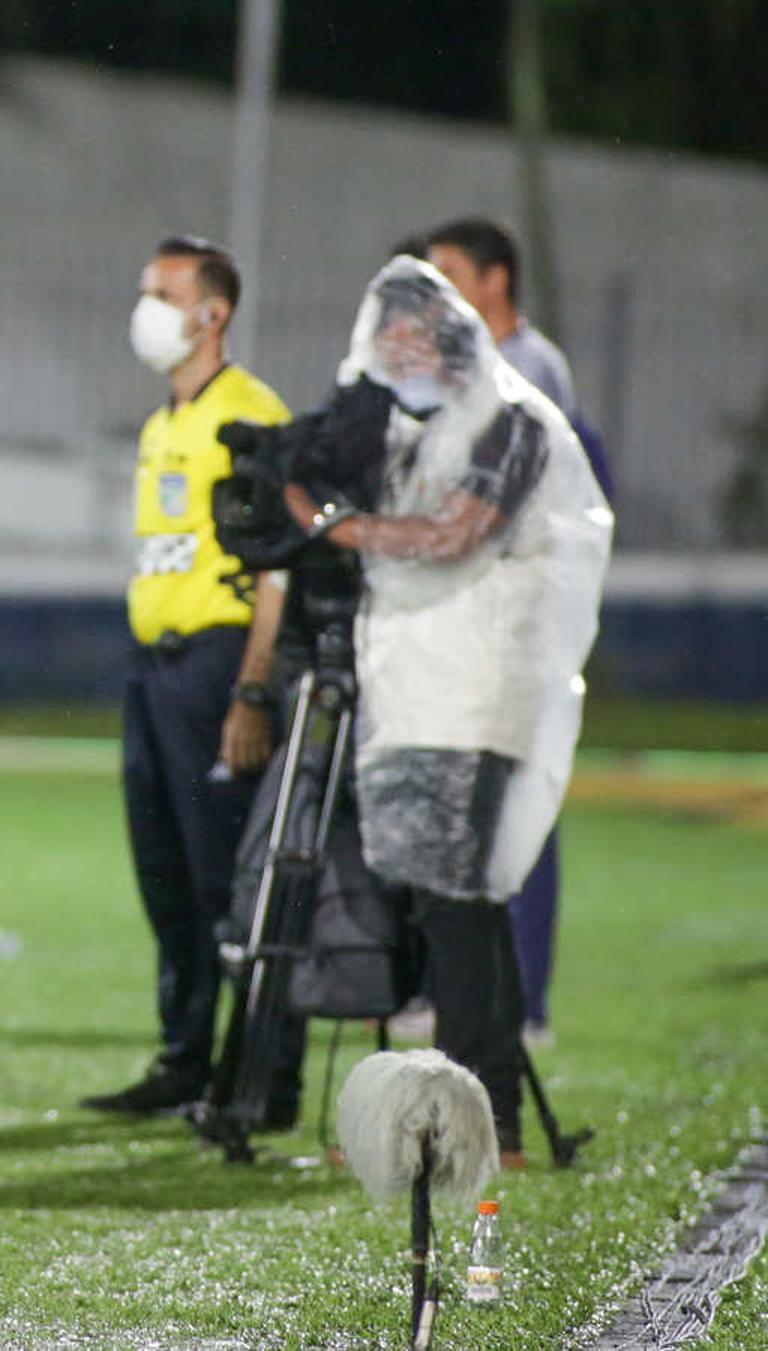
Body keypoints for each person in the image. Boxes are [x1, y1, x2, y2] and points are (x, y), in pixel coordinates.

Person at [282, 256, 612, 1162]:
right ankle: (445, 1115)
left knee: (455, 906)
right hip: (417, 691)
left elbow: (449, 535)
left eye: (411, 332)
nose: (394, 350)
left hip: (478, 695)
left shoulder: (511, 423)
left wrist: (323, 520)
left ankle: (483, 1120)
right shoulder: (412, 432)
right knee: (437, 908)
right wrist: (297, 480)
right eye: (382, 333)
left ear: (454, 337)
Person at [81, 236, 295, 1123]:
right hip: (154, 666)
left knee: (224, 876)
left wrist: (252, 688)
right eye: (145, 292)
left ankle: (252, 1074)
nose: (148, 310)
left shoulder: (251, 413)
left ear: (214, 314)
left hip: (216, 665)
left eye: (162, 294)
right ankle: (184, 1056)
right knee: (164, 871)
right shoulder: (162, 421)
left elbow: (278, 566)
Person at [424, 217, 610, 1047]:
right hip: (465, 621)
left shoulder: (530, 369)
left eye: (449, 273)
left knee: (521, 805)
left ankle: (523, 1005)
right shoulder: (464, 371)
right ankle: (460, 995)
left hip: (516, 624)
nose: (437, 293)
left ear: (495, 279)